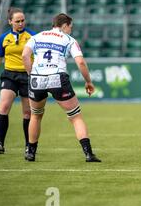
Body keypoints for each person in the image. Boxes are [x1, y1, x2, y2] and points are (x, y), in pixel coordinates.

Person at [21, 13, 101, 162]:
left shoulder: (37, 36)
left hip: (37, 79)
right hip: (57, 77)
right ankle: (89, 154)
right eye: (70, 27)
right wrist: (88, 81)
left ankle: (30, 153)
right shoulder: (68, 39)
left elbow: (25, 56)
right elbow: (81, 62)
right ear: (64, 25)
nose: (71, 30)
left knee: (36, 115)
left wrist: (31, 74)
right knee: (76, 117)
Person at [0, 7, 35, 155]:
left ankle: (29, 146)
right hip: (9, 75)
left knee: (27, 113)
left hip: (27, 77)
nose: (21, 23)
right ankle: (0, 143)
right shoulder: (3, 38)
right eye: (17, 21)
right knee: (3, 108)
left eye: (23, 20)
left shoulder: (33, 36)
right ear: (10, 21)